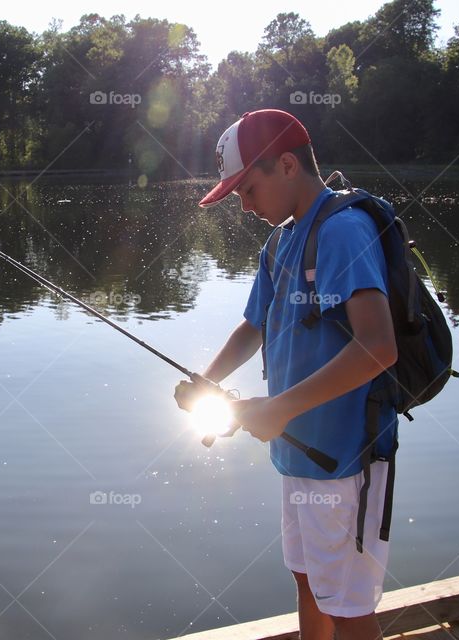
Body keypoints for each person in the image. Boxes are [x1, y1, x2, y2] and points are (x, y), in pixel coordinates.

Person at [175, 109, 399, 640]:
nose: (245, 205)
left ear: (288, 165)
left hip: (345, 459)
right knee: (307, 579)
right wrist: (207, 381)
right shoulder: (280, 241)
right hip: (298, 452)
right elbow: (253, 327)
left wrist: (278, 408)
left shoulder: (343, 231)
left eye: (248, 189)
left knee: (347, 604)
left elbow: (379, 346)